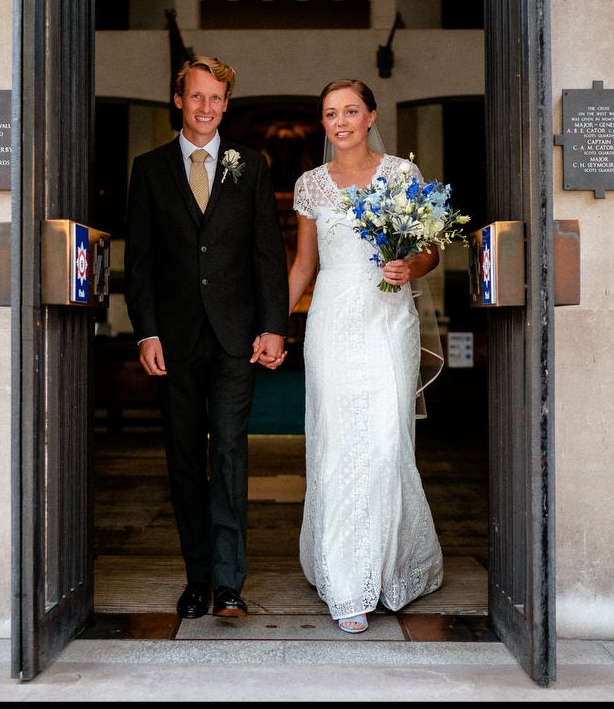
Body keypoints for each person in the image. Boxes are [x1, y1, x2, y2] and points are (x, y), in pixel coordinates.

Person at [124, 56, 290, 620]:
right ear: (179, 100)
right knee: (182, 459)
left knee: (230, 454)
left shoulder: (252, 166)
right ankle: (196, 579)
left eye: (217, 98)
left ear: (226, 103)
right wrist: (145, 330)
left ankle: (228, 583)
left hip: (235, 337)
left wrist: (273, 325)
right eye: (197, 97)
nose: (206, 108)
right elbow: (141, 262)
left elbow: (269, 253)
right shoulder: (148, 170)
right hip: (172, 339)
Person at [286, 79, 445, 634]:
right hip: (331, 322)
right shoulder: (309, 184)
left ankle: (391, 565)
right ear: (324, 122)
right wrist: (268, 324)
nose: (341, 121)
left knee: (383, 443)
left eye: (351, 110)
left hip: (386, 321)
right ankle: (347, 581)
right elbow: (305, 266)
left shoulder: (401, 174)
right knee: (336, 444)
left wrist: (410, 268)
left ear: (371, 115)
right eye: (331, 113)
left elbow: (428, 251)